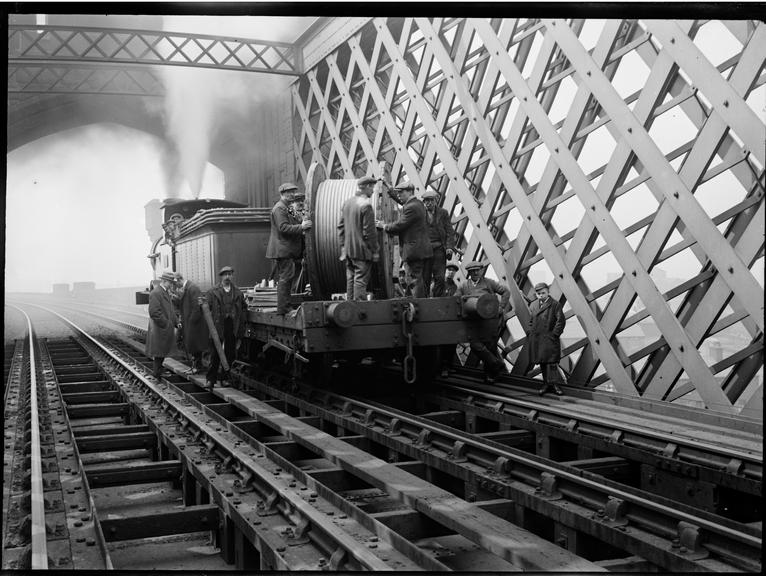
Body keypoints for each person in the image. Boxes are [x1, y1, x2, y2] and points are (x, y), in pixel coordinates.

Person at [455, 261, 511, 383]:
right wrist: (463, 300)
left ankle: (490, 375)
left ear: (481, 271)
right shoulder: (464, 286)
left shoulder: (489, 283)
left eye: (477, 270)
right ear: (469, 272)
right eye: (472, 271)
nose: (475, 273)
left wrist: (501, 307)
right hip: (474, 322)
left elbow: (506, 292)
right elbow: (456, 299)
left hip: (489, 321)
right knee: (475, 345)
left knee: (489, 347)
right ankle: (497, 364)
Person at [378, 182, 432, 298]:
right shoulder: (418, 204)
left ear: (410, 192)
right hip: (420, 249)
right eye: (398, 192)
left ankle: (418, 308)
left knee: (414, 280)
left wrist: (384, 226)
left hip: (414, 251)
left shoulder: (411, 208)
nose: (399, 195)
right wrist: (390, 189)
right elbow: (402, 202)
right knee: (417, 279)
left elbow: (400, 225)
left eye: (401, 192)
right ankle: (417, 304)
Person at [266, 182, 312, 314]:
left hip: (286, 249)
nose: (292, 194)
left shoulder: (287, 207)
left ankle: (285, 306)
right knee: (286, 278)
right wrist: (301, 227)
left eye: (293, 191)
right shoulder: (280, 208)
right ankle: (284, 308)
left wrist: (302, 221)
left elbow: (295, 221)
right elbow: (283, 227)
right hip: (283, 249)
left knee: (288, 277)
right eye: (289, 192)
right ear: (282, 194)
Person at [338, 175, 380, 300]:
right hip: (361, 251)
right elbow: (369, 232)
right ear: (366, 187)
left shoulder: (347, 203)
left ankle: (350, 305)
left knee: (350, 279)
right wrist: (375, 250)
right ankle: (359, 307)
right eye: (372, 187)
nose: (373, 190)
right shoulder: (366, 205)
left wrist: (343, 247)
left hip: (349, 251)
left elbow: (341, 227)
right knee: (360, 280)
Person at [206, 266, 246, 390]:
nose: (227, 277)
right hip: (218, 326)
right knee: (215, 353)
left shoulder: (238, 293)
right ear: (221, 277)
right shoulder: (213, 292)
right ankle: (210, 380)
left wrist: (241, 325)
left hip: (231, 325)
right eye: (225, 274)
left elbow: (243, 309)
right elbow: (207, 309)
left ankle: (224, 379)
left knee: (229, 353)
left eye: (229, 274)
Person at [527, 282, 566, 396]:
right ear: (536, 294)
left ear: (548, 292)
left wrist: (554, 335)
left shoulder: (555, 304)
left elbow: (561, 321)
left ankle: (554, 385)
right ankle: (546, 384)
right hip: (538, 338)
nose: (541, 295)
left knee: (552, 362)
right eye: (539, 293)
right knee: (543, 362)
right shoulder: (533, 305)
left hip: (549, 337)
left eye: (543, 293)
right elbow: (531, 320)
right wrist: (530, 332)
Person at [421, 190, 455, 297]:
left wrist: (449, 247)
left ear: (435, 201)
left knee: (440, 277)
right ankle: (425, 300)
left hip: (439, 249)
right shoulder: (420, 214)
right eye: (426, 201)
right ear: (424, 202)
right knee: (425, 278)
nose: (429, 203)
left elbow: (450, 231)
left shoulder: (443, 213)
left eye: (431, 201)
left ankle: (437, 299)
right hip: (425, 250)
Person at [146, 271, 178, 380]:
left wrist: (176, 322)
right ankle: (157, 373)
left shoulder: (164, 291)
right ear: (164, 281)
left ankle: (158, 371)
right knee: (159, 352)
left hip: (162, 328)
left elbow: (171, 310)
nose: (171, 285)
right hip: (159, 328)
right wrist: (166, 323)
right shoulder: (156, 293)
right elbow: (154, 312)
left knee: (161, 351)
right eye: (170, 282)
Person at [174, 273, 209, 374]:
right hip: (190, 322)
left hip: (194, 324)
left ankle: (197, 367)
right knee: (193, 346)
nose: (175, 287)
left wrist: (190, 323)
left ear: (179, 280)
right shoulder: (188, 288)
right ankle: (196, 366)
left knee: (195, 345)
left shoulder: (192, 288)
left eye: (175, 284)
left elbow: (196, 308)